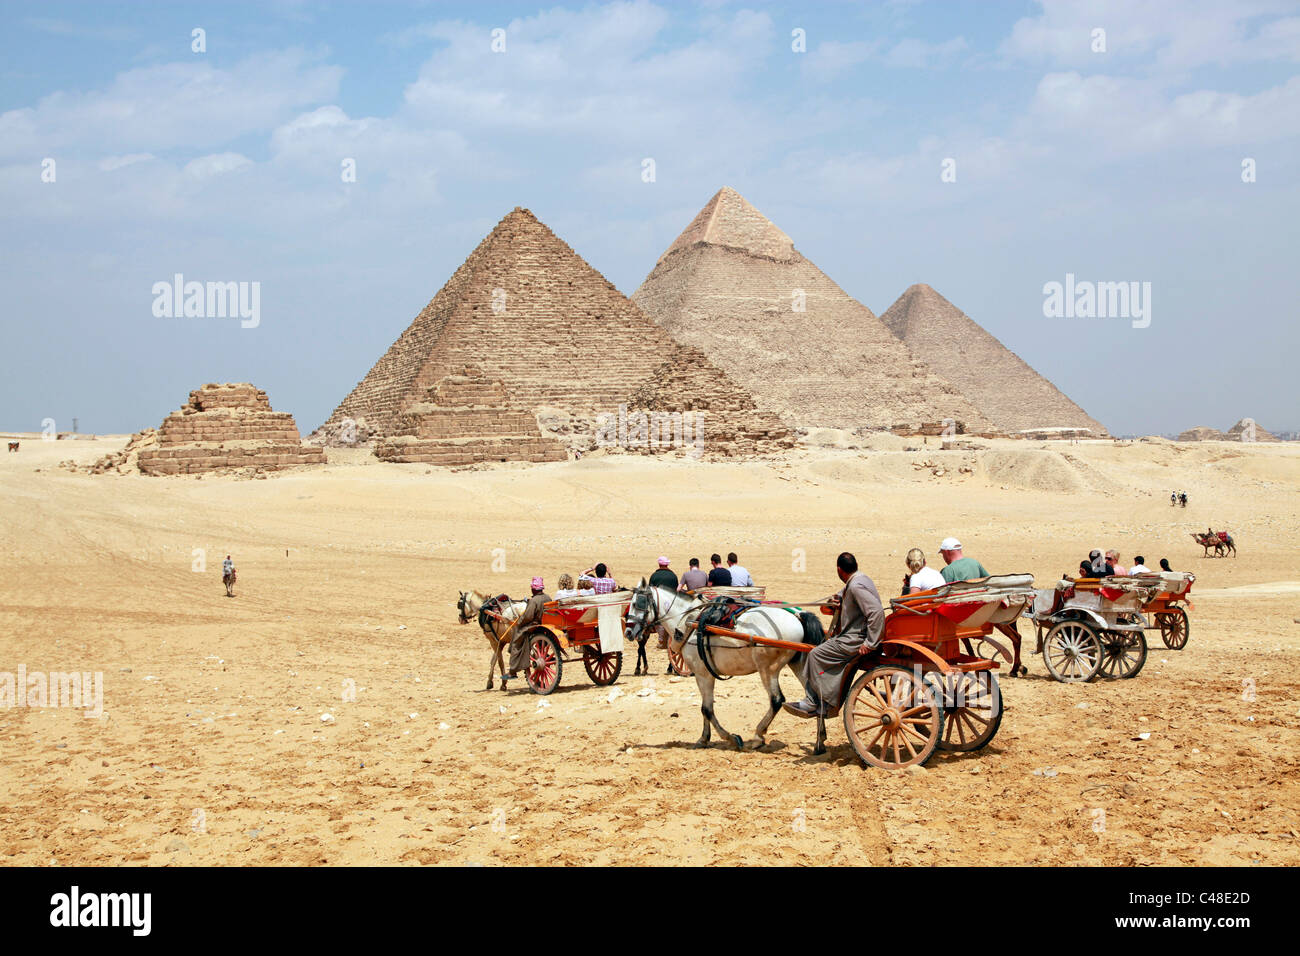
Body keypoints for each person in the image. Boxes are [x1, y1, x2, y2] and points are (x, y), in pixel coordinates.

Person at [784, 552, 884, 718]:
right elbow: (842, 593)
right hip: (854, 636)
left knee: (815, 655)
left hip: (854, 639)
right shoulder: (860, 578)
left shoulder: (855, 586)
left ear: (839, 569)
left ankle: (814, 702)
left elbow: (876, 612)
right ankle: (823, 699)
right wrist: (836, 600)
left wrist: (870, 642)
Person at [505, 577, 551, 683]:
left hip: (534, 626)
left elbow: (528, 616)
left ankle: (513, 669)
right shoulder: (548, 598)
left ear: (534, 589)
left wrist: (519, 622)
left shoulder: (534, 601)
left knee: (517, 637)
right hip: (546, 624)